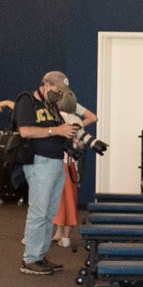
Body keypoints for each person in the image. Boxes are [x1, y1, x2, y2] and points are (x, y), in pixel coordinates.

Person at [16, 70, 78, 275]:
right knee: (38, 212)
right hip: (38, 162)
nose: (59, 94)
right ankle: (30, 259)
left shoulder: (51, 106)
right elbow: (25, 131)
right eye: (57, 90)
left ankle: (40, 256)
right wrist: (56, 131)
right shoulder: (27, 102)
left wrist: (69, 135)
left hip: (55, 162)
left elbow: (60, 130)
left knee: (49, 213)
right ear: (46, 85)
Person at [51, 88, 95, 249]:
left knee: (58, 200)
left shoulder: (55, 118)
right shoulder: (76, 121)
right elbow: (81, 141)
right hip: (70, 167)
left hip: (60, 165)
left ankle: (61, 233)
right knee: (69, 200)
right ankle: (63, 235)